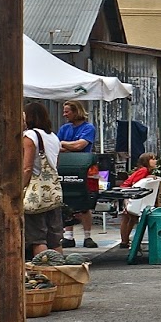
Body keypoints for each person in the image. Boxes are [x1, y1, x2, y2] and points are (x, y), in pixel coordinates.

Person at [22, 102, 63, 260]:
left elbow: (27, 168)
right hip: (53, 193)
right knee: (54, 237)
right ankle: (59, 269)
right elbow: (55, 164)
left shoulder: (30, 136)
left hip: (36, 194)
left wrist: (19, 188)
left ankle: (43, 270)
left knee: (37, 237)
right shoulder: (54, 137)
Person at [56, 100, 98, 248]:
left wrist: (64, 144)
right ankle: (68, 236)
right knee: (66, 202)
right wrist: (70, 146)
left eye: (67, 111)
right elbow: (57, 146)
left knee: (84, 204)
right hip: (65, 167)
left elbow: (80, 145)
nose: (64, 114)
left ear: (76, 111)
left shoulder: (88, 128)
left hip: (84, 168)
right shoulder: (64, 128)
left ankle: (87, 236)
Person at [117, 152, 160, 251]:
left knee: (131, 218)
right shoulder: (144, 170)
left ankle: (125, 241)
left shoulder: (146, 171)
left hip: (128, 193)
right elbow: (135, 184)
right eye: (152, 159)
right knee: (128, 217)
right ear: (146, 161)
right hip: (128, 193)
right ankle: (124, 241)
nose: (155, 161)